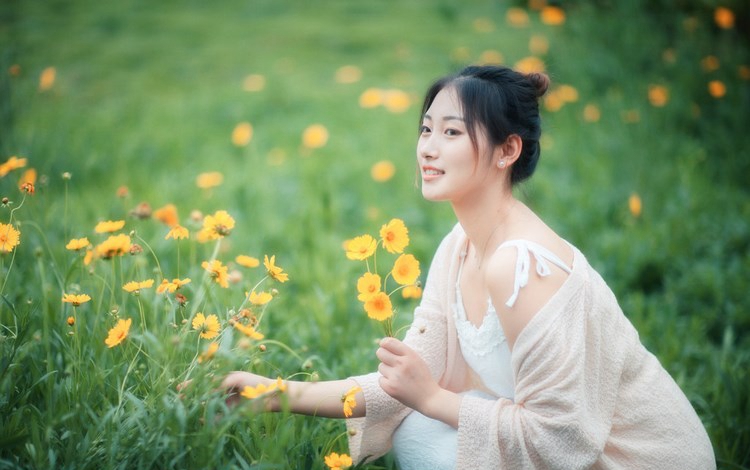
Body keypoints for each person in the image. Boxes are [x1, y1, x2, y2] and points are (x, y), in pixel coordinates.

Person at [221, 65, 715, 469]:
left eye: (452, 132)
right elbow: (405, 388)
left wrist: (433, 398)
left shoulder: (522, 267)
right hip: (564, 446)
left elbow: (562, 442)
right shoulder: (460, 246)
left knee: (427, 427)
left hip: (638, 460)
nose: (428, 148)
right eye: (426, 128)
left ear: (507, 150)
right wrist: (279, 393)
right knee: (415, 428)